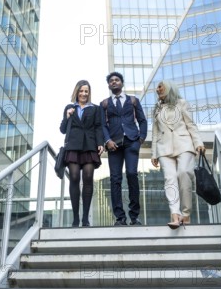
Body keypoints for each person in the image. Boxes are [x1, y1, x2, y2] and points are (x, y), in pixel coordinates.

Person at [151, 80, 205, 229]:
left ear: (169, 88)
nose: (157, 89)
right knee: (170, 179)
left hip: (184, 144)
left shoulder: (182, 103)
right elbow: (155, 133)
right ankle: (175, 215)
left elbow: (190, 124)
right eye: (157, 88)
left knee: (184, 173)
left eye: (160, 87)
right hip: (164, 148)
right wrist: (154, 153)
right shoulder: (156, 109)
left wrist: (198, 142)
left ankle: (186, 214)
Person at [101, 72, 147, 226]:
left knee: (132, 174)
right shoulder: (104, 104)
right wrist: (107, 140)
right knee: (115, 179)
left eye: (117, 80)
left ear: (122, 83)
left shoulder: (133, 100)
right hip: (114, 144)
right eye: (111, 81)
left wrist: (141, 138)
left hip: (131, 141)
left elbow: (142, 120)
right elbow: (102, 125)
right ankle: (120, 217)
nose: (114, 82)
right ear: (109, 85)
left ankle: (134, 216)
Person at [60, 80, 104, 227]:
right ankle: (75, 217)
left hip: (89, 146)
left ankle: (85, 217)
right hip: (73, 146)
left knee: (88, 177)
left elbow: (98, 127)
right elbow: (62, 129)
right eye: (81, 91)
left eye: (86, 91)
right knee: (73, 177)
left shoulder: (95, 109)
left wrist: (100, 143)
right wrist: (67, 116)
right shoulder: (69, 107)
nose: (84, 94)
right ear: (76, 92)